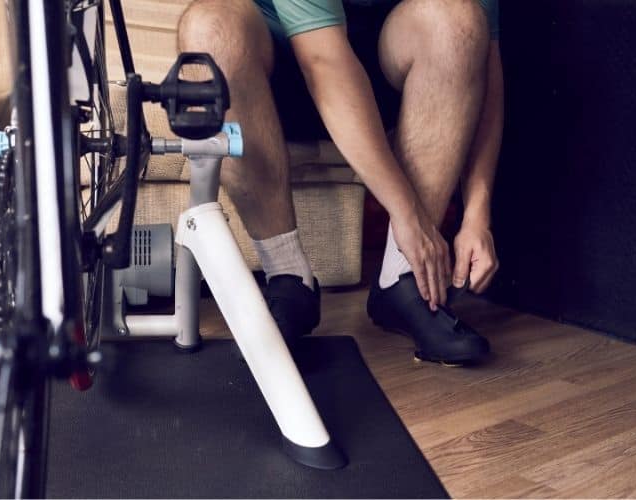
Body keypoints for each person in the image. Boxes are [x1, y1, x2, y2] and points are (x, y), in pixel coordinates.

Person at [177, 0, 503, 365]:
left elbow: (485, 68)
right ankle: (288, 278)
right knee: (207, 27)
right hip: (278, 75)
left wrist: (477, 213)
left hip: (386, 74)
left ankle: (403, 280)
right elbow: (323, 62)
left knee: (459, 20)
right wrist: (405, 212)